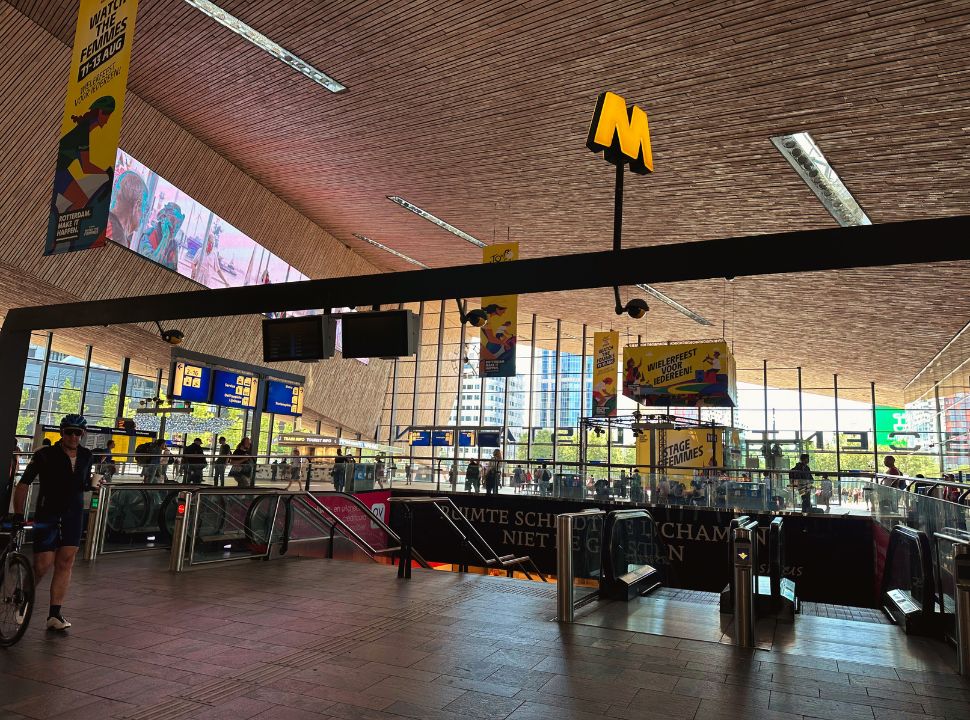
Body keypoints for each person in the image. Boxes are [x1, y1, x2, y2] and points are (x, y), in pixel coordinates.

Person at [12, 414, 93, 630]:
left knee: (66, 561)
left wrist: (93, 485)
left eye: (78, 432)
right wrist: (18, 514)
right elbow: (23, 484)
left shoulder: (86, 456)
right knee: (42, 565)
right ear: (61, 433)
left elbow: (84, 483)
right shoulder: (45, 455)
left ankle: (54, 615)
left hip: (73, 515)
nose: (74, 436)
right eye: (69, 432)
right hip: (47, 513)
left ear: (83, 434)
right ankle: (24, 598)